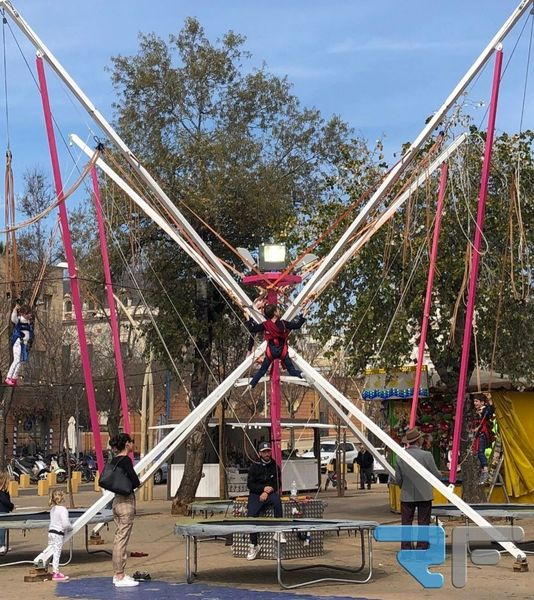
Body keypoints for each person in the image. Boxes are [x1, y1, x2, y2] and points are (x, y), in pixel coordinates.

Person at [243, 299, 306, 393]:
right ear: (275, 313)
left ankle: (251, 384)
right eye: (277, 310)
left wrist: (248, 318)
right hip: (283, 352)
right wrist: (303, 315)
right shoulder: (283, 323)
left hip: (271, 352)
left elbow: (252, 329)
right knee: (291, 370)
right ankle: (301, 374)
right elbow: (297, 325)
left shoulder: (266, 325)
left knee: (262, 371)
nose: (279, 311)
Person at [394, 427, 442, 550]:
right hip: (424, 494)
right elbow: (436, 475)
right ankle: (422, 547)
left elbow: (398, 478)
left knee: (406, 523)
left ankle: (406, 548)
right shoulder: (427, 455)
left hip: (406, 494)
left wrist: (404, 487)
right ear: (418, 441)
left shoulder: (400, 457)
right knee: (423, 523)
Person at [109, 433, 141, 587]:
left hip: (116, 501)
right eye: (132, 442)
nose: (133, 444)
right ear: (127, 444)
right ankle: (119, 575)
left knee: (118, 537)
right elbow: (135, 481)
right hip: (125, 503)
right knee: (121, 540)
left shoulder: (114, 460)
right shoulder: (125, 460)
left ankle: (118, 574)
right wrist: (137, 483)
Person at [246, 441, 285, 560]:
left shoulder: (275, 466)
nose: (267, 454)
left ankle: (278, 531)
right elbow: (250, 484)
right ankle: (254, 544)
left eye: (268, 451)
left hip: (270, 493)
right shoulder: (254, 466)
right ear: (260, 453)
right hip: (256, 494)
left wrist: (268, 491)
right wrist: (262, 489)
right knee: (251, 514)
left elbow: (277, 483)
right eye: (264, 452)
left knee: (277, 502)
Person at [43, 489, 71, 581]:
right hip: (58, 534)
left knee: (50, 550)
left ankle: (45, 567)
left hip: (51, 532)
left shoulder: (53, 509)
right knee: (56, 552)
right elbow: (65, 524)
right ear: (62, 498)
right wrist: (70, 527)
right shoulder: (63, 510)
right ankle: (56, 572)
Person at [5, 303, 34, 386]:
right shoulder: (19, 320)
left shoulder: (28, 322)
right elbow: (13, 318)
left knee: (21, 361)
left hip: (24, 344)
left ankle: (14, 378)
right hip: (18, 343)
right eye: (28, 313)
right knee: (16, 360)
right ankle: (8, 377)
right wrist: (15, 309)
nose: (30, 315)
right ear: (23, 314)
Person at [471, 393, 495, 485]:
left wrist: (490, 400)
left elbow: (491, 410)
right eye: (474, 401)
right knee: (476, 453)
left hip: (482, 434)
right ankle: (481, 471)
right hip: (477, 434)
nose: (475, 403)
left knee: (480, 452)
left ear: (482, 402)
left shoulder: (485, 410)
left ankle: (485, 470)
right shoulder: (475, 411)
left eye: (476, 401)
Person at [0, 470, 14, 555]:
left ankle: (2, 545)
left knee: (3, 529)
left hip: (4, 511)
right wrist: (11, 506)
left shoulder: (4, 491)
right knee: (2, 529)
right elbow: (5, 501)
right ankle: (1, 545)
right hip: (2, 512)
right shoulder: (2, 492)